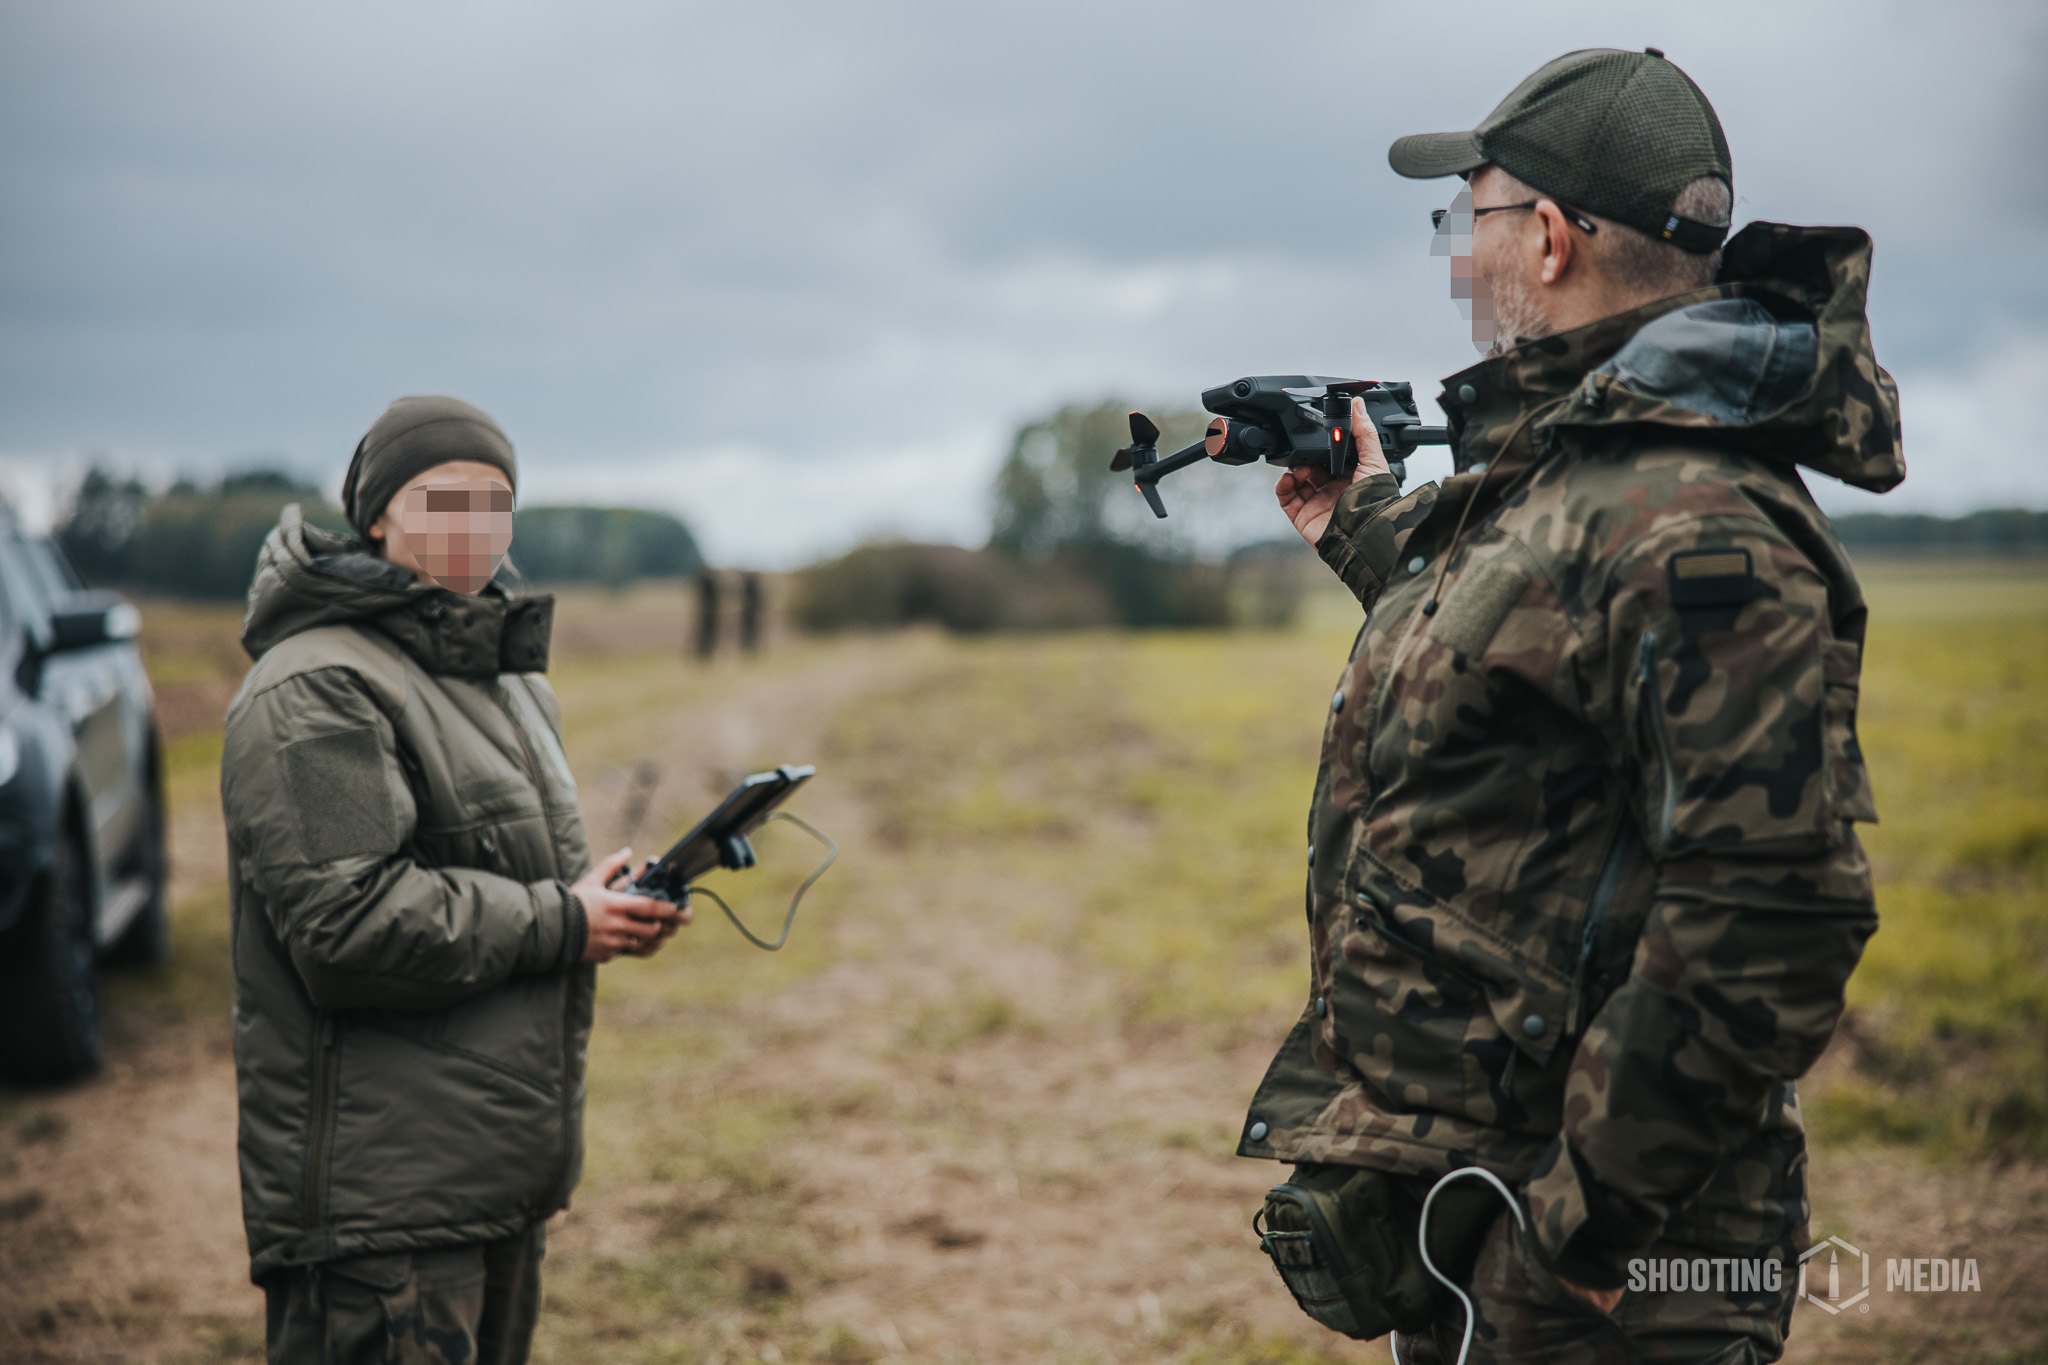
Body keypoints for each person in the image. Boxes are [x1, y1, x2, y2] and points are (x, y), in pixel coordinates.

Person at [1240, 48, 1902, 1364]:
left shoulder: (1698, 514)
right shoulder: (1583, 468)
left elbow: (1770, 911)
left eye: (1465, 220)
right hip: (1486, 1205)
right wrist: (1364, 529)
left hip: (1609, 1269)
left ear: (1545, 237)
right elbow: (1523, 668)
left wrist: (1574, 1229)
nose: (1453, 259)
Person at [220, 395, 685, 1364]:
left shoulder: (500, 675)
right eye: (444, 501)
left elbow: (497, 872)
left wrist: (593, 899)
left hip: (488, 1178)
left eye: (494, 503)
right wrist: (564, 922)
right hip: (383, 1209)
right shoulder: (319, 685)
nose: (474, 528)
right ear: (377, 513)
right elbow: (346, 926)